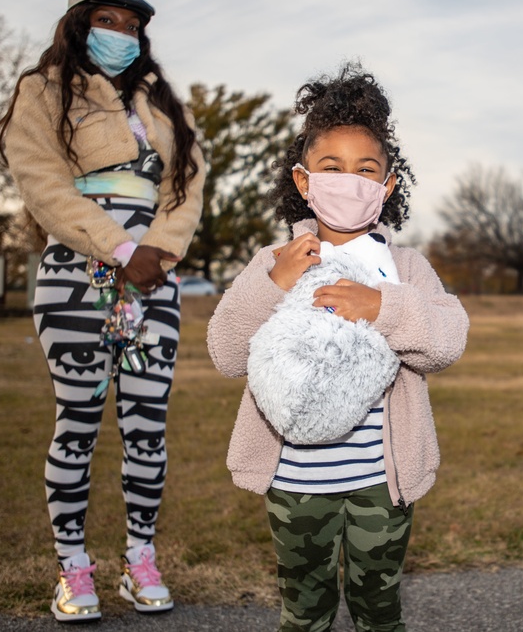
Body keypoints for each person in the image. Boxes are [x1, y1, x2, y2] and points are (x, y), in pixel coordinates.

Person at [207, 63, 468, 631]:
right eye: (332, 167)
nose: (349, 180)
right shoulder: (272, 264)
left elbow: (447, 342)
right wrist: (270, 285)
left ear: (387, 183)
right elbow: (227, 354)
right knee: (305, 611)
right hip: (296, 483)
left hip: (383, 480)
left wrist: (383, 307)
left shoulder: (405, 268)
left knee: (379, 610)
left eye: (365, 169)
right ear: (304, 182)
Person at [0, 0, 204, 623]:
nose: (121, 33)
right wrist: (119, 248)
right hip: (75, 279)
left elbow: (187, 187)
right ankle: (73, 569)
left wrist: (157, 256)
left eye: (132, 25)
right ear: (80, 23)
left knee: (147, 426)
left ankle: (140, 560)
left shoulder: (166, 105)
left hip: (152, 286)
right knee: (78, 422)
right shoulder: (44, 91)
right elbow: (44, 185)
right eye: (107, 19)